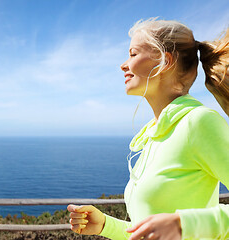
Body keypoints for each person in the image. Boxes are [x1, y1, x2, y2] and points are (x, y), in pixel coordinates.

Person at [68, 18, 229, 240]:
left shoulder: (198, 123)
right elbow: (150, 231)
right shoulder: (156, 133)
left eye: (133, 54)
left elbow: (176, 227)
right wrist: (105, 225)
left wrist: (186, 224)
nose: (123, 64)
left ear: (165, 62)